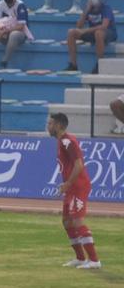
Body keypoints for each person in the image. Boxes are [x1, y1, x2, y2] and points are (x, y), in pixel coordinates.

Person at [50, 112, 101, 268]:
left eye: (50, 124)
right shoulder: (61, 141)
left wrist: (68, 183)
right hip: (71, 187)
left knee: (77, 221)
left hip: (78, 186)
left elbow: (79, 165)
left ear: (58, 125)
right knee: (66, 221)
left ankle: (94, 260)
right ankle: (80, 257)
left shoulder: (68, 141)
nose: (48, 127)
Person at [65, 0, 115, 73]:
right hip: (93, 33)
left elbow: (104, 26)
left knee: (98, 33)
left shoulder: (106, 8)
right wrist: (86, 11)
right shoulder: (88, 9)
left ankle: (100, 64)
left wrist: (85, 30)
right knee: (71, 32)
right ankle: (73, 65)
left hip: (108, 33)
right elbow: (79, 26)